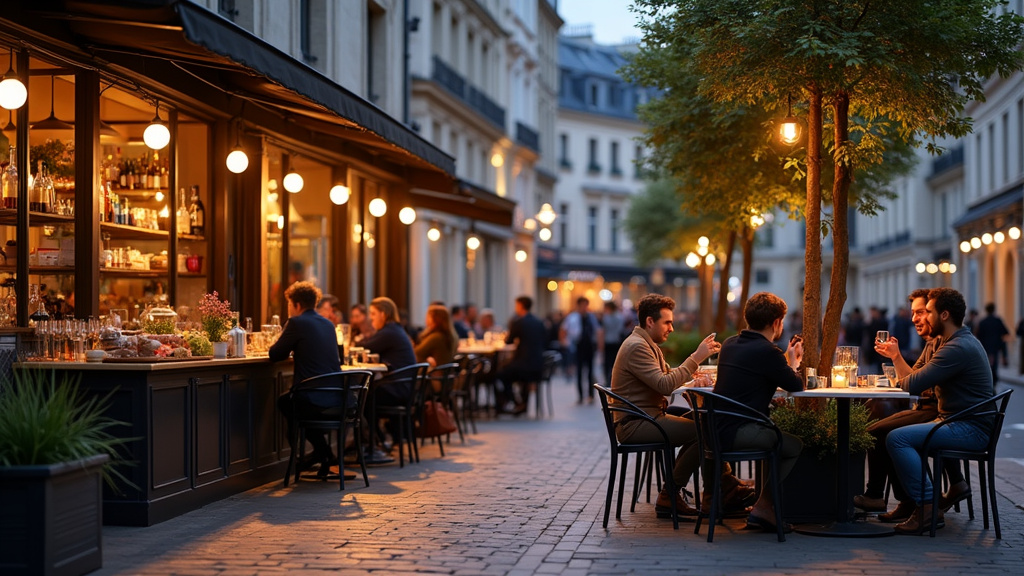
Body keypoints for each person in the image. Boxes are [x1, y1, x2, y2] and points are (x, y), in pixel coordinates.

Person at [610, 293, 754, 520]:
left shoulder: (647, 344)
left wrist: (692, 379)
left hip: (647, 416)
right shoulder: (637, 347)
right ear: (650, 321)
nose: (672, 328)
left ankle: (721, 490)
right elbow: (665, 385)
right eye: (667, 322)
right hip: (636, 424)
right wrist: (696, 357)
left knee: (706, 422)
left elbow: (666, 376)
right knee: (705, 431)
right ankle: (677, 494)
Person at [886, 288, 995, 535]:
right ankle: (926, 502)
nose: (924, 318)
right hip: (957, 422)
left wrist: (898, 377)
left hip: (970, 429)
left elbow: (913, 384)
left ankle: (927, 508)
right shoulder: (953, 342)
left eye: (929, 312)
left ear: (944, 315)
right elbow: (917, 381)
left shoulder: (956, 348)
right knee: (897, 432)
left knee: (897, 437)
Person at [853, 289, 967, 522]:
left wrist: (897, 361)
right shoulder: (938, 343)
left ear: (939, 315)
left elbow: (914, 386)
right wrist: (898, 362)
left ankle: (912, 501)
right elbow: (916, 382)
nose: (915, 318)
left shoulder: (951, 346)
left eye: (923, 312)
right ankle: (912, 501)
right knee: (886, 428)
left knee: (888, 432)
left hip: (943, 415)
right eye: (914, 312)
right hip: (938, 411)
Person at [714, 292, 804, 532]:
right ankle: (764, 506)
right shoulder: (768, 352)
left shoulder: (730, 344)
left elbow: (762, 373)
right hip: (739, 431)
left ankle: (764, 506)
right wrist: (793, 362)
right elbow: (796, 385)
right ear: (776, 323)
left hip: (715, 429)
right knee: (793, 446)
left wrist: (785, 360)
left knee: (776, 438)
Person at [271, 281, 342, 473]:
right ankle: (323, 454)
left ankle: (312, 456)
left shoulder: (296, 322)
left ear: (297, 305)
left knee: (288, 403)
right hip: (338, 397)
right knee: (294, 405)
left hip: (313, 398)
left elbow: (275, 354)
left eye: (289, 304)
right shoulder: (328, 324)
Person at [494, 296, 548, 415]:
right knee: (515, 373)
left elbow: (508, 341)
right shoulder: (539, 322)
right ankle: (522, 404)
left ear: (520, 306)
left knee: (500, 375)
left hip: (524, 365)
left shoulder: (518, 322)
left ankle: (516, 402)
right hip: (539, 365)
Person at [561, 296, 602, 404]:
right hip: (578, 346)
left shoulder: (591, 317)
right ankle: (580, 396)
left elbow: (597, 330)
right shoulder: (572, 317)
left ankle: (590, 395)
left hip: (589, 346)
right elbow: (563, 329)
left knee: (590, 371)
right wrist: (565, 342)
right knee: (579, 372)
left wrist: (598, 345)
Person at [361, 297, 416, 371]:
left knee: (355, 380)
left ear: (383, 314)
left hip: (398, 380)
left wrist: (349, 345)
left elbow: (367, 347)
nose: (370, 317)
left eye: (373, 313)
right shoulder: (394, 328)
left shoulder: (389, 332)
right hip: (403, 378)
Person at [414, 304, 458, 368]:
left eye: (428, 316)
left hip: (433, 374)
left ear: (435, 319)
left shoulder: (436, 337)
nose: (425, 319)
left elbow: (416, 354)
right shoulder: (451, 336)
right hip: (445, 373)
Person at [976, 302, 1010, 382]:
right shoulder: (997, 321)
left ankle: (990, 380)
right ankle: (993, 380)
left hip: (985, 347)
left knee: (987, 365)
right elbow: (1006, 332)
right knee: (994, 365)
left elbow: (978, 335)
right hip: (995, 347)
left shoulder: (982, 322)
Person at [601, 300, 625, 387]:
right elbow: (621, 330)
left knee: (607, 363)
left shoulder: (606, 317)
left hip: (608, 342)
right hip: (616, 342)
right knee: (615, 363)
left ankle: (608, 380)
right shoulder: (620, 317)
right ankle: (614, 380)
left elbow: (603, 330)